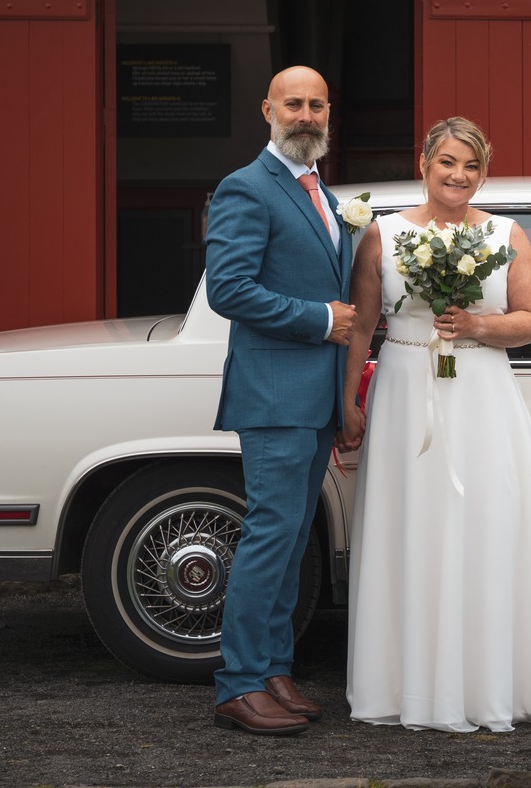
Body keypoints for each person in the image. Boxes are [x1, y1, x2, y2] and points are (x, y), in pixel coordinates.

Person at [339, 117, 531, 732]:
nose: (459, 175)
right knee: (410, 523)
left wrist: (475, 324)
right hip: (403, 390)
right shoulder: (381, 234)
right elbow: (363, 326)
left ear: (484, 173)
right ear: (425, 163)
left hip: (481, 392)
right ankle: (406, 683)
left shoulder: (505, 234)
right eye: (448, 162)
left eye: (472, 166)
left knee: (488, 521)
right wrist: (348, 401)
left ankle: (490, 681)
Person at [204, 66, 357, 737]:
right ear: (267, 110)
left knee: (293, 540)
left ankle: (272, 670)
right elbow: (229, 289)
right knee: (270, 537)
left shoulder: (324, 192)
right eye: (293, 103)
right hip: (273, 395)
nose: (305, 114)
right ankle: (238, 683)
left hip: (314, 398)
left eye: (316, 104)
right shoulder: (247, 186)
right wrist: (321, 319)